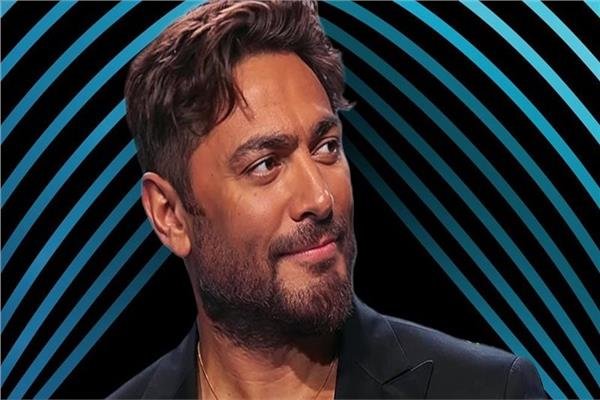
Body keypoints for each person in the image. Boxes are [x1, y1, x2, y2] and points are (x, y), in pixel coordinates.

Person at [110, 1, 545, 398]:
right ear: (170, 215)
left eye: (326, 147)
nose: (319, 198)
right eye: (266, 164)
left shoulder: (490, 392)